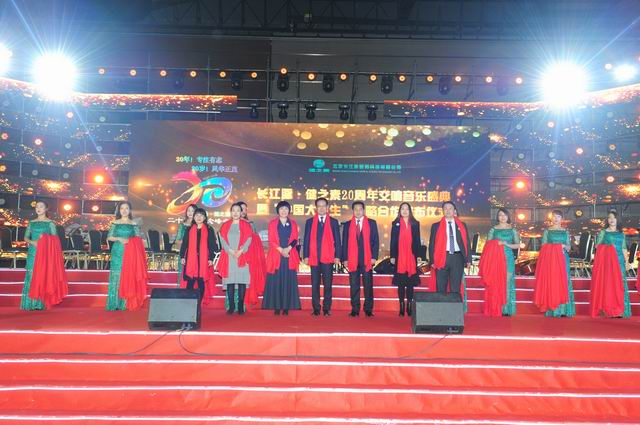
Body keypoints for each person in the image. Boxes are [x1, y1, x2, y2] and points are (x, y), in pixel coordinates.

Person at [20, 200, 67, 310]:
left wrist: (44, 238)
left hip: (45, 253)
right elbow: (26, 237)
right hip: (33, 251)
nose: (38, 208)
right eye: (37, 207)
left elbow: (56, 240)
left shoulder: (50, 223)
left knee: (42, 275)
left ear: (46, 209)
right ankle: (29, 303)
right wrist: (33, 242)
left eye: (41, 206)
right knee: (31, 275)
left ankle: (40, 304)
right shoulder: (31, 223)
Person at [106, 202, 149, 311]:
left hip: (130, 253)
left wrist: (131, 242)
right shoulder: (115, 223)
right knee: (117, 275)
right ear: (119, 210)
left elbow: (138, 240)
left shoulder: (133, 224)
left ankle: (125, 303)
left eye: (126, 208)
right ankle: (114, 303)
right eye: (122, 208)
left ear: (130, 210)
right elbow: (109, 237)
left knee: (128, 275)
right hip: (118, 251)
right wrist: (119, 239)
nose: (124, 210)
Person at [303, 197, 341, 317]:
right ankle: (316, 308)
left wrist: (337, 256)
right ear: (316, 208)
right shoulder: (310, 222)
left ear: (327, 207)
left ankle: (326, 308)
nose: (321, 208)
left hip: (328, 258)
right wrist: (306, 255)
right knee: (315, 284)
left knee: (327, 285)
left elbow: (337, 241)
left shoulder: (333, 222)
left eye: (324, 206)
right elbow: (306, 239)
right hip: (314, 257)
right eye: (319, 206)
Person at [262, 201, 302, 315]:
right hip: (276, 254)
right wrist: (281, 250)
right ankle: (276, 306)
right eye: (281, 209)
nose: (284, 211)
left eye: (286, 209)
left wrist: (287, 249)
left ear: (289, 211)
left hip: (289, 255)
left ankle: (286, 307)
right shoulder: (272, 223)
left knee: (288, 280)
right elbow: (271, 240)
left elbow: (295, 239)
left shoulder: (293, 223)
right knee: (276, 280)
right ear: (278, 211)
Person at [479, 208, 520, 317]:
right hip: (495, 260)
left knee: (507, 283)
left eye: (504, 215)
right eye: (500, 215)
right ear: (497, 217)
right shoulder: (493, 230)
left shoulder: (513, 230)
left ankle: (505, 309)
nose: (502, 217)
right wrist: (496, 243)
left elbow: (518, 245)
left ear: (508, 217)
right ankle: (495, 307)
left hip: (508, 258)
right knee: (495, 283)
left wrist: (506, 244)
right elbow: (487, 246)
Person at [534, 209, 575, 318]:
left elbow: (569, 247)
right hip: (550, 261)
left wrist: (566, 247)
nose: (556, 219)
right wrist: (558, 246)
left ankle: (564, 310)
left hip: (563, 259)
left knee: (564, 281)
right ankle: (553, 310)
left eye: (558, 217)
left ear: (562, 219)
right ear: (551, 218)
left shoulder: (565, 232)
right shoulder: (547, 231)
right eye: (554, 216)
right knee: (552, 282)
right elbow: (543, 247)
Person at [591, 210, 632, 318]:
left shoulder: (621, 234)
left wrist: (627, 262)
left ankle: (621, 311)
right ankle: (609, 310)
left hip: (619, 262)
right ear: (607, 220)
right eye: (609, 217)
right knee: (609, 286)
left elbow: (624, 248)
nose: (612, 219)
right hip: (608, 263)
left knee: (620, 286)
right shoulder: (603, 232)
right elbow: (597, 246)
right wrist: (608, 248)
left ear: (618, 220)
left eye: (614, 217)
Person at [341, 201, 379, 317]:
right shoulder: (348, 225)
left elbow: (375, 241)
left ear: (364, 210)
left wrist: (374, 257)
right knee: (354, 285)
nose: (358, 211)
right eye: (356, 209)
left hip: (367, 259)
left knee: (368, 285)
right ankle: (355, 309)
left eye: (360, 209)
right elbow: (345, 243)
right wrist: (345, 259)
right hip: (352, 259)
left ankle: (368, 309)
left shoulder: (371, 223)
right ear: (353, 211)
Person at [428, 201, 471, 296]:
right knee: (441, 286)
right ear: (443, 211)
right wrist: (432, 261)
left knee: (455, 288)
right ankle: (441, 305)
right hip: (441, 257)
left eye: (450, 208)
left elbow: (467, 243)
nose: (448, 210)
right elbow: (432, 244)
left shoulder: (462, 225)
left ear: (454, 210)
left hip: (457, 258)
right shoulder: (436, 226)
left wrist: (468, 259)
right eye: (445, 209)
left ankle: (454, 305)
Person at [218, 203, 254, 315]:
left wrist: (240, 251)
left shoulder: (246, 225)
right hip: (229, 256)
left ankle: (240, 306)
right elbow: (222, 240)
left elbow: (249, 239)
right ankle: (231, 306)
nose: (235, 213)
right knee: (230, 282)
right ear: (230, 212)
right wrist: (231, 251)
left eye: (238, 210)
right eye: (233, 210)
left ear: (241, 212)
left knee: (242, 281)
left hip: (242, 256)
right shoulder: (225, 225)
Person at [180, 208, 219, 303]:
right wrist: (182, 256)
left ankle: (198, 303)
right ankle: (189, 303)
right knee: (190, 282)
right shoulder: (189, 229)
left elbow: (212, 245)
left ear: (205, 218)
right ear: (194, 217)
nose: (199, 217)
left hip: (203, 260)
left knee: (201, 282)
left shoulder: (209, 229)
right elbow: (184, 244)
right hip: (191, 260)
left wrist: (211, 258)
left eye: (201, 215)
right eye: (197, 215)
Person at [390, 202, 422, 316]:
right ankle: (401, 306)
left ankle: (409, 305)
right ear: (399, 211)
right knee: (401, 283)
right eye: (402, 209)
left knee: (410, 283)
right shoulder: (395, 223)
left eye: (407, 209)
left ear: (410, 211)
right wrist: (392, 256)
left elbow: (417, 240)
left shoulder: (415, 224)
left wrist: (418, 255)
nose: (404, 211)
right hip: (400, 256)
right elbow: (393, 241)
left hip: (411, 256)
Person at [175, 204, 197, 288]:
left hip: (195, 254)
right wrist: (186, 243)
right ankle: (184, 291)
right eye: (188, 211)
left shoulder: (198, 224)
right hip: (184, 253)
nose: (190, 213)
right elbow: (178, 240)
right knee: (184, 273)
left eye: (192, 211)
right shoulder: (182, 225)